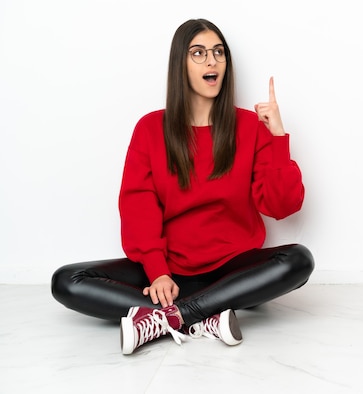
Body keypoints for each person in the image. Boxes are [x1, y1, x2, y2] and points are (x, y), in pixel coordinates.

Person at [51, 18, 314, 355]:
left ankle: (171, 318)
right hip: (169, 273)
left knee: (298, 260)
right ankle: (205, 317)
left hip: (231, 270)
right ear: (181, 65)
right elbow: (138, 207)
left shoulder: (249, 126)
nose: (212, 61)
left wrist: (277, 136)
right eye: (199, 53)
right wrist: (158, 273)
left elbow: (282, 206)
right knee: (67, 281)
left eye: (219, 53)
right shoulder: (149, 129)